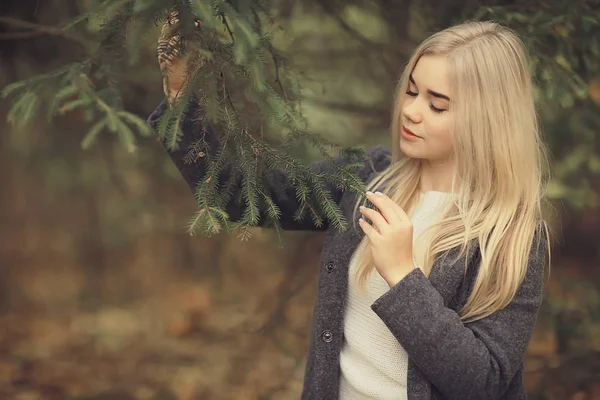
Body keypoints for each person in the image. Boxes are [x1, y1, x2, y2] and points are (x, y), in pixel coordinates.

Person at [148, 18, 551, 400]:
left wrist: (402, 275)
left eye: (438, 105)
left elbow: (483, 384)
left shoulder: (511, 235)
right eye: (412, 91)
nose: (411, 111)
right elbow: (237, 195)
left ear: (488, 119)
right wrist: (182, 95)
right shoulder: (367, 178)